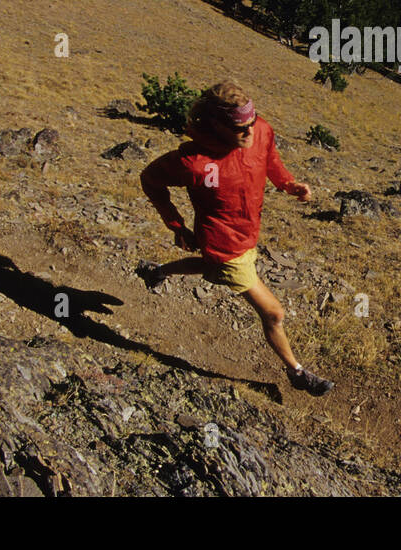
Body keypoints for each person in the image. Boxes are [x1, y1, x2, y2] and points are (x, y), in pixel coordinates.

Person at [137, 80, 334, 396]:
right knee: (273, 313)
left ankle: (157, 271)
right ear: (214, 124)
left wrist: (288, 184)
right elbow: (150, 180)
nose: (250, 133)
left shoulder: (261, 132)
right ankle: (297, 372)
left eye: (252, 124)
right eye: (239, 128)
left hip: (247, 232)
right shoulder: (195, 162)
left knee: (210, 267)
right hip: (224, 243)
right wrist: (177, 226)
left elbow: (268, 158)